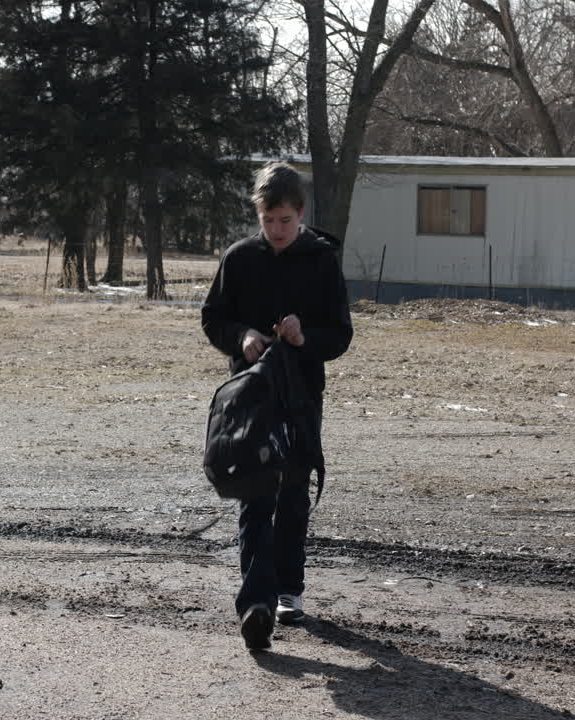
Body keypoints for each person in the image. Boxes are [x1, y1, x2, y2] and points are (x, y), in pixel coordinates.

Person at [201, 162, 353, 651]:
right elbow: (213, 318)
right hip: (248, 398)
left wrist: (304, 337)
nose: (277, 230)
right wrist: (241, 336)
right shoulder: (239, 258)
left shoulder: (321, 260)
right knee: (254, 491)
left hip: (302, 396)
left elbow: (340, 334)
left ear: (301, 213)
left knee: (292, 493)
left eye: (285, 220)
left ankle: (288, 589)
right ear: (258, 214)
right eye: (268, 220)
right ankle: (256, 605)